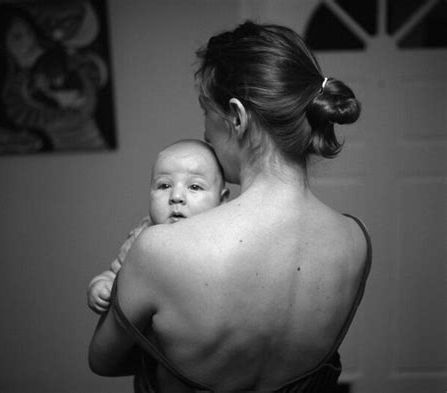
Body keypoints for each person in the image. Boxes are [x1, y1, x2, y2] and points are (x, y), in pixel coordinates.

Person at [89, 21, 371, 393]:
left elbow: (102, 360)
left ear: (236, 118)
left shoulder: (160, 248)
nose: (204, 130)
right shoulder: (356, 242)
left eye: (206, 110)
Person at [87, 139, 230, 314]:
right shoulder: (142, 236)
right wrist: (101, 286)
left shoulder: (228, 239)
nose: (176, 196)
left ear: (222, 200)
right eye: (164, 185)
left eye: (194, 186)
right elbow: (115, 274)